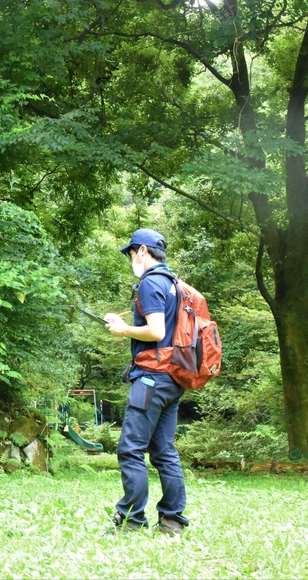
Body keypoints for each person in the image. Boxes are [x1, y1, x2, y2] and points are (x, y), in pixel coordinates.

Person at [102, 228, 189, 536]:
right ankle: (172, 522)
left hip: (152, 377)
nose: (130, 260)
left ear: (141, 251)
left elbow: (154, 331)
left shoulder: (150, 283)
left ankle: (130, 522)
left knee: (130, 448)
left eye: (130, 254)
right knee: (164, 450)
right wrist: (124, 324)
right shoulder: (173, 284)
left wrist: (124, 330)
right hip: (173, 377)